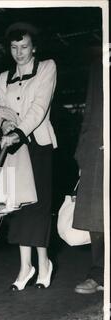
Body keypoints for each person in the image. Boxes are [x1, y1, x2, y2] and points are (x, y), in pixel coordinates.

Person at [0, 22, 57, 290]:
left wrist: (18, 131)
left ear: (34, 47)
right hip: (14, 147)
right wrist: (4, 125)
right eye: (14, 47)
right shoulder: (3, 77)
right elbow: (1, 109)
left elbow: (39, 107)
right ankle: (25, 267)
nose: (19, 53)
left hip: (38, 143)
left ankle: (43, 264)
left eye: (24, 46)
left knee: (39, 206)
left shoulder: (47, 68)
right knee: (19, 206)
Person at [73, 52, 104, 294]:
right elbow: (91, 109)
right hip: (97, 150)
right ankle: (99, 273)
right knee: (97, 215)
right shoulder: (99, 62)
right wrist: (83, 152)